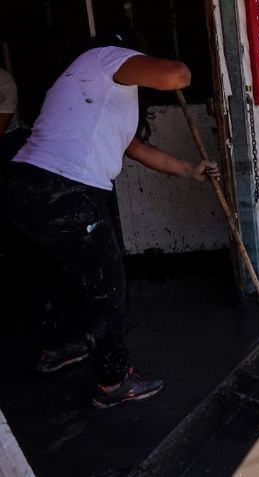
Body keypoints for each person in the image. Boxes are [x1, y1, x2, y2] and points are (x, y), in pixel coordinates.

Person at [3, 31, 219, 408]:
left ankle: (59, 347)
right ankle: (113, 382)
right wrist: (173, 66)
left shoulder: (89, 92)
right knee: (107, 287)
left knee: (62, 273)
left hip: (24, 188)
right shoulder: (105, 59)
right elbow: (177, 76)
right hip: (65, 190)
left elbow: (139, 149)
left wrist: (190, 170)